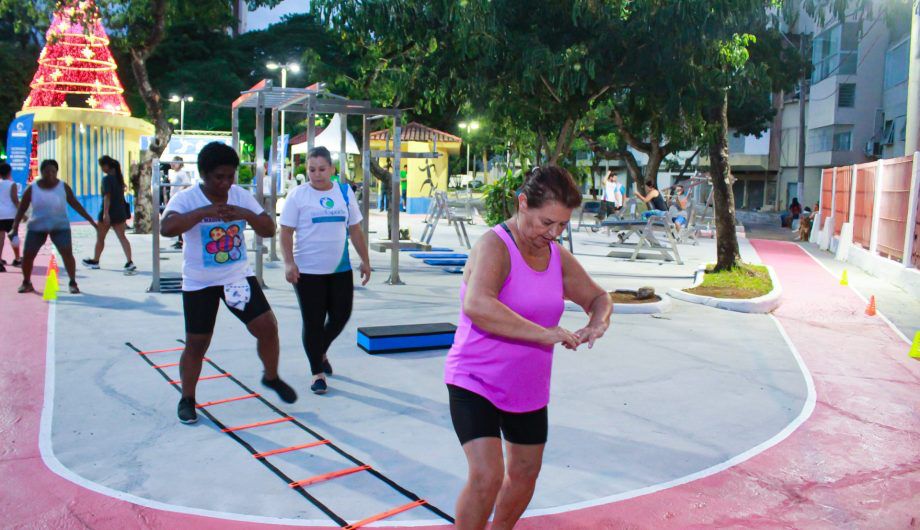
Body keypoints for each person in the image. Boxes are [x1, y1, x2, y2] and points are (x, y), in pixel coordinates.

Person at [445, 166, 612, 530]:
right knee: (488, 476)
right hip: (475, 379)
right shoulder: (494, 245)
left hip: (527, 387)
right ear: (523, 203)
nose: (552, 234)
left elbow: (599, 297)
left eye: (562, 226)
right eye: (545, 222)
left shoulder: (556, 256)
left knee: (524, 474)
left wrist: (596, 324)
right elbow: (478, 305)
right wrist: (544, 333)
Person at [160, 142, 296, 424]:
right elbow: (166, 228)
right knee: (197, 344)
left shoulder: (240, 196)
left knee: (268, 328)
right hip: (199, 281)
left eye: (230, 176)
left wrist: (244, 214)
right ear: (204, 175)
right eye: (218, 177)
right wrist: (202, 214)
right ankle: (187, 398)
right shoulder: (187, 198)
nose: (225, 183)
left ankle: (271, 377)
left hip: (236, 277)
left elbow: (269, 229)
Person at [280, 146, 371, 395]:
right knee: (313, 322)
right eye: (312, 169)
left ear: (332, 169)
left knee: (341, 315)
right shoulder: (298, 195)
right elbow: (285, 231)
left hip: (340, 268)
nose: (317, 174)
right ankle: (317, 372)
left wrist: (365, 259)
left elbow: (355, 229)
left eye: (322, 169)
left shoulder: (344, 192)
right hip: (307, 271)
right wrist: (289, 263)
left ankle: (319, 350)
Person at [11, 159, 98, 294]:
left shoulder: (63, 187)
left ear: (57, 172)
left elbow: (75, 204)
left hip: (60, 226)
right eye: (47, 172)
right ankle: (26, 282)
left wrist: (91, 221)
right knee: (28, 255)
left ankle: (72, 282)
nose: (50, 174)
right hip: (37, 227)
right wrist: (14, 227)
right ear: (41, 172)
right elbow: (22, 209)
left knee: (67, 254)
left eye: (53, 171)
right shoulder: (32, 188)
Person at [82, 156, 135, 272]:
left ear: (107, 166)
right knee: (122, 237)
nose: (101, 168)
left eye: (102, 166)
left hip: (109, 212)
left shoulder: (107, 179)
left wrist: (106, 214)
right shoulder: (119, 179)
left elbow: (107, 197)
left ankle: (95, 261)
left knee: (100, 238)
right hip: (120, 212)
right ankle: (129, 261)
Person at [0, 163, 23, 271]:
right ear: (9, 172)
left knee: (1, 238)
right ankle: (17, 259)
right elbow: (15, 200)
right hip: (10, 215)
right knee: (13, 237)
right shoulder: (12, 184)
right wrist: (22, 212)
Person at [168, 157, 191, 249]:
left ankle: (181, 240)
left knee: (179, 219)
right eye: (172, 162)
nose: (173, 164)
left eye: (175, 163)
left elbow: (186, 183)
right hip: (174, 198)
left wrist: (179, 193)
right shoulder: (175, 173)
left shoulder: (181, 173)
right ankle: (179, 239)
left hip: (179, 200)